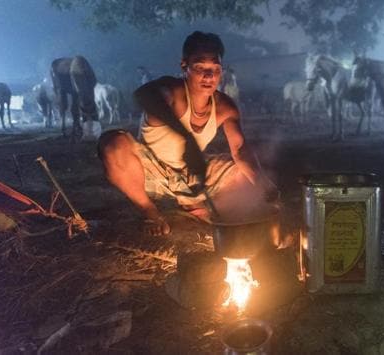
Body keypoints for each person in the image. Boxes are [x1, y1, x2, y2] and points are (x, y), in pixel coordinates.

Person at [98, 31, 278, 237]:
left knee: (242, 174)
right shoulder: (172, 90)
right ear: (185, 66)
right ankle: (151, 213)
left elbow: (240, 149)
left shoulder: (225, 107)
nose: (209, 76)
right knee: (113, 143)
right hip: (149, 171)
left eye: (215, 69)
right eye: (200, 67)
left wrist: (264, 184)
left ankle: (194, 204)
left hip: (191, 172)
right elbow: (142, 95)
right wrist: (187, 138)